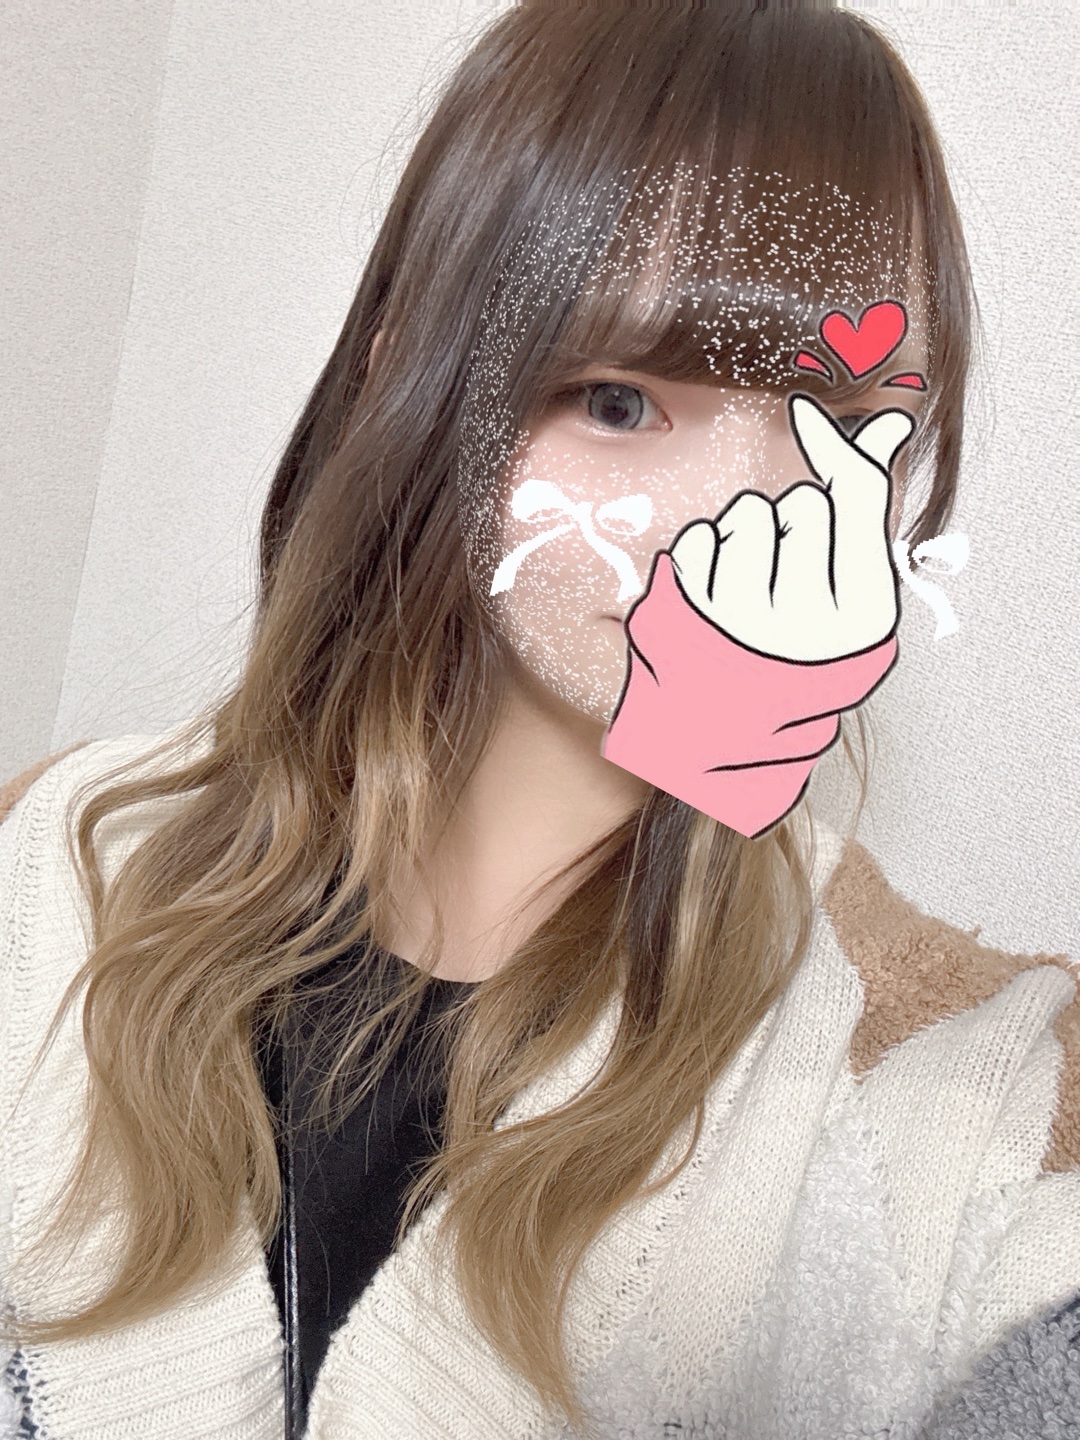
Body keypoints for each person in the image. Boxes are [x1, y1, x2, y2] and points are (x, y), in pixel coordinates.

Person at [2, 4, 1078, 1438]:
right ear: (410, 380)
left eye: (835, 429)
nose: (738, 524)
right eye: (620, 402)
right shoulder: (56, 876)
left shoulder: (954, 1093)